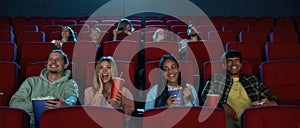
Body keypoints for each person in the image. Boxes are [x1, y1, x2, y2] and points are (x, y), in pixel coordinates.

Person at [200, 50, 279, 128]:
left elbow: (273, 98)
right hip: (229, 119)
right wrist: (223, 104)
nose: (234, 64)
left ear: (241, 64)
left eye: (236, 60)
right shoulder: (217, 78)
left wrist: (271, 103)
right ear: (224, 65)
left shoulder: (252, 79)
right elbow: (204, 98)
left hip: (251, 117)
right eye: (230, 61)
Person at [9, 49, 79, 126]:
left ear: (65, 65)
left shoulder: (70, 83)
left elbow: (71, 99)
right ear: (47, 64)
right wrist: (38, 105)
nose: (53, 62)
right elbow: (14, 103)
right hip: (31, 124)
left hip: (57, 124)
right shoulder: (31, 81)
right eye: (50, 59)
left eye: (58, 59)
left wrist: (64, 105)